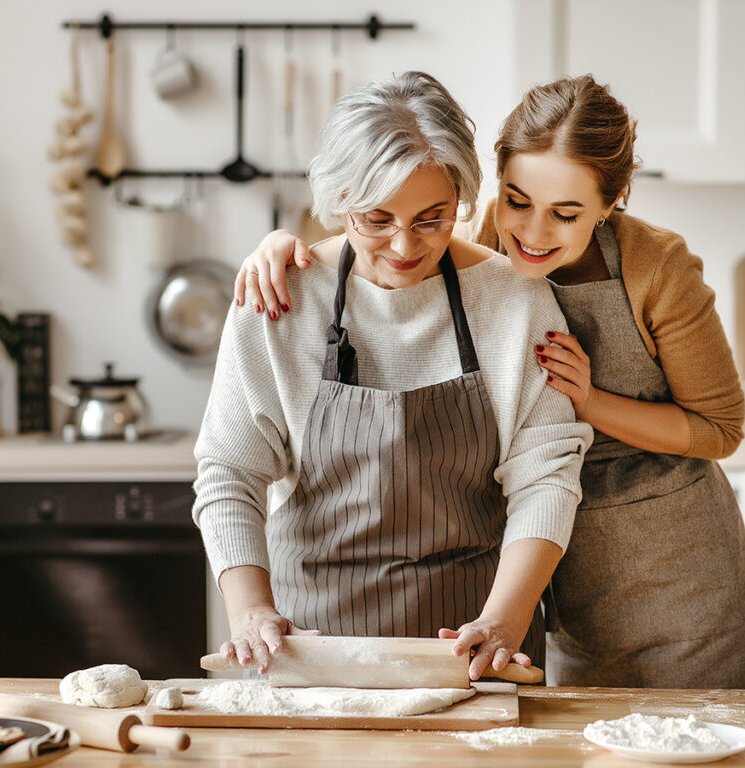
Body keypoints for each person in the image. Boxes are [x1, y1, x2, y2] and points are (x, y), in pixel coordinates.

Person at [232, 74, 745, 689]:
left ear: (614, 199)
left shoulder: (656, 268)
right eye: (517, 200)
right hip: (554, 567)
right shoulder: (484, 244)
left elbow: (719, 429)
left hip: (672, 564)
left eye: (566, 214)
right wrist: (287, 249)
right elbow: (393, 233)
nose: (533, 234)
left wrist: (588, 402)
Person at [193, 71, 591, 680]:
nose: (405, 245)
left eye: (433, 218)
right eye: (376, 219)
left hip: (472, 651)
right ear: (338, 202)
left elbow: (546, 477)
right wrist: (250, 612)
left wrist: (505, 621)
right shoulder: (279, 300)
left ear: (461, 198)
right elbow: (230, 472)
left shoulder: (516, 303)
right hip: (309, 651)